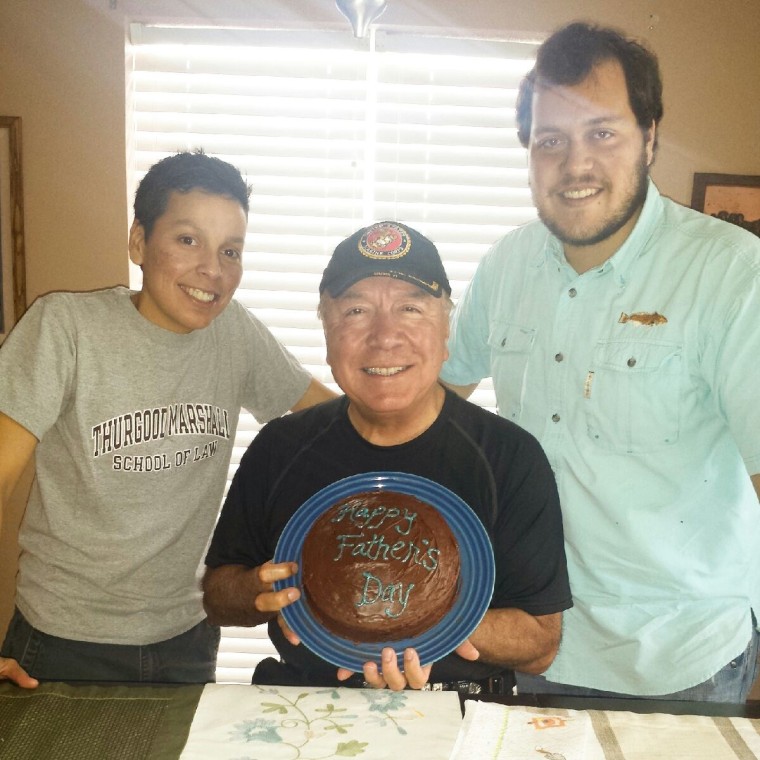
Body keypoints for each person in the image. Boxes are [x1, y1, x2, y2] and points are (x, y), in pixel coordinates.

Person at [439, 22, 760, 701]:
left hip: (678, 663)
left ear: (649, 138)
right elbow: (432, 406)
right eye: (550, 140)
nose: (574, 163)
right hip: (530, 644)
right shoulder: (505, 266)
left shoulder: (732, 275)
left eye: (602, 133)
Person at [0, 151, 333, 688]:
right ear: (138, 243)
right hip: (62, 642)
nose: (212, 269)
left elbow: (336, 421)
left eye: (231, 250)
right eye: (187, 240)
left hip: (187, 640)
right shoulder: (67, 328)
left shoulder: (235, 335)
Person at [202, 220, 572, 692]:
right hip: (306, 705)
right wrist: (256, 591)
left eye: (411, 309)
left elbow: (540, 644)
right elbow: (218, 595)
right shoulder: (281, 448)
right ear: (327, 327)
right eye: (356, 310)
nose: (385, 336)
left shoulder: (509, 458)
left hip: (461, 711)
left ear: (446, 329)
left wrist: (426, 627)